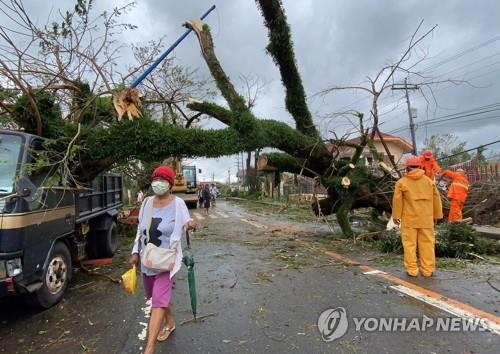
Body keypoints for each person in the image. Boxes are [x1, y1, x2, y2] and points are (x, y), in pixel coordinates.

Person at [129, 166, 196, 354]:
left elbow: (187, 223)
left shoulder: (178, 204)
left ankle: (149, 348)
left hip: (168, 262)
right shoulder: (146, 203)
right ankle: (171, 322)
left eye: (162, 179)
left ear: (170, 184)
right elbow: (139, 230)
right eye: (155, 178)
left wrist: (191, 224)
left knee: (158, 302)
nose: (158, 182)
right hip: (148, 260)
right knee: (155, 297)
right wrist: (135, 251)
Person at [392, 156, 443, 277]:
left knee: (409, 245)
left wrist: (396, 216)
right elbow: (436, 200)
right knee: (427, 244)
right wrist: (436, 215)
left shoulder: (401, 182)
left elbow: (397, 201)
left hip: (409, 219)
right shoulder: (429, 182)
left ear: (407, 168)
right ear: (420, 167)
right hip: (426, 219)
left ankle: (412, 270)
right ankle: (427, 270)